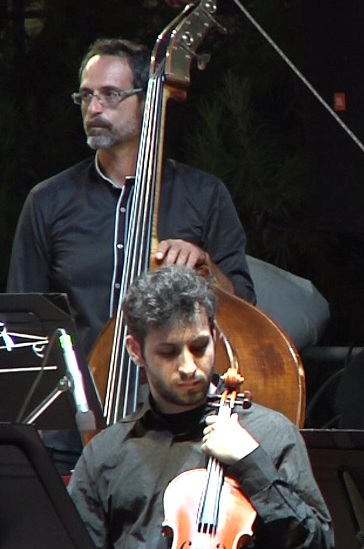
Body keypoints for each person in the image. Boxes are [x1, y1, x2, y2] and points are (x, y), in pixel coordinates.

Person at [45, 265, 331, 549]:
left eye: (199, 347)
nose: (188, 367)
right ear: (136, 351)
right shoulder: (106, 451)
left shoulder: (269, 434)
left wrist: (251, 463)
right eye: (168, 352)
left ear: (214, 334)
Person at [7, 38, 254, 355]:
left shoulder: (205, 194)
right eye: (86, 96)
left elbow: (246, 310)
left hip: (178, 383)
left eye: (110, 95)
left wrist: (206, 269)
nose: (94, 108)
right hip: (83, 385)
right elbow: (22, 325)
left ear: (147, 101)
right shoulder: (47, 202)